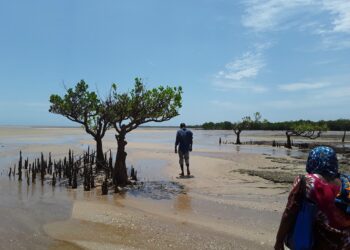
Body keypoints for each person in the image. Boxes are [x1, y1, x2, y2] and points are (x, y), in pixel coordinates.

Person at [275, 146, 350, 250]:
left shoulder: (306, 181)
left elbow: (289, 212)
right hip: (345, 242)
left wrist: (279, 241)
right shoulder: (346, 182)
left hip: (318, 242)